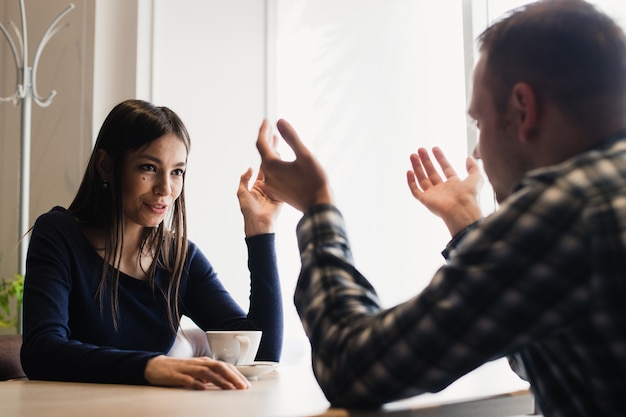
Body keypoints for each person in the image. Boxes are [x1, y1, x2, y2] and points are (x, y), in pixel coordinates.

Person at [254, 0, 626, 415]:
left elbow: (353, 365)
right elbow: (549, 351)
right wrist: (468, 225)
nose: (477, 151)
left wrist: (317, 205)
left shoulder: (568, 207)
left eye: (479, 123)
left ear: (524, 110)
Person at [21, 99, 283, 390]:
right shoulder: (59, 234)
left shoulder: (180, 259)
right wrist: (150, 366)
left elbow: (262, 355)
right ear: (106, 166)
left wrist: (261, 233)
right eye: (148, 167)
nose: (165, 189)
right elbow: (41, 352)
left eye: (177, 171)